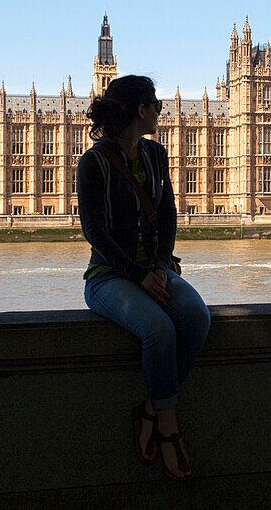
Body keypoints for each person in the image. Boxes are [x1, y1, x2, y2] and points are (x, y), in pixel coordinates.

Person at [77, 75, 210, 481]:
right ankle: (168, 429)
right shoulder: (93, 162)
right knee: (159, 329)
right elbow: (93, 231)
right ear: (140, 110)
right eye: (155, 103)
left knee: (197, 318)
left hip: (153, 268)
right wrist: (138, 273)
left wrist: (160, 262)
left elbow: (167, 211)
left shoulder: (155, 154)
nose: (161, 109)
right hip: (109, 276)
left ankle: (151, 409)